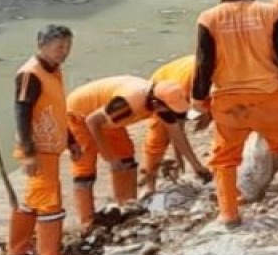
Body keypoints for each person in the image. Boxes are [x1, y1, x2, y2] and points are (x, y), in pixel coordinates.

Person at [192, 0, 278, 227]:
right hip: (269, 96)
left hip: (229, 101)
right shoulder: (271, 13)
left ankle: (228, 214)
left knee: (224, 158)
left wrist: (199, 100)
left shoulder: (208, 18)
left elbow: (203, 62)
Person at [67, 75, 192, 228]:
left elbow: (176, 134)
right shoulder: (126, 103)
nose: (174, 114)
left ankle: (126, 207)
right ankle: (87, 221)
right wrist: (109, 157)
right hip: (80, 114)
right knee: (85, 167)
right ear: (156, 103)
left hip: (106, 117)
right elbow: (92, 122)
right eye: (171, 109)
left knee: (126, 158)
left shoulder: (160, 101)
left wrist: (196, 166)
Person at [10, 24, 74, 255]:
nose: (64, 52)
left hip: (51, 147)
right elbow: (22, 111)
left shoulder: (54, 72)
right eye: (59, 47)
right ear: (42, 45)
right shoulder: (31, 74)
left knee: (33, 201)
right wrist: (27, 153)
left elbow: (57, 109)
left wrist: (71, 140)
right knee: (49, 204)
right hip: (38, 148)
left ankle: (18, 250)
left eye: (68, 47)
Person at [141, 55, 213, 196]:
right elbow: (176, 131)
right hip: (164, 88)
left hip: (191, 93)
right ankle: (150, 185)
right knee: (158, 139)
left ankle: (199, 168)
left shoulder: (223, 72)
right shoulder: (184, 86)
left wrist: (208, 114)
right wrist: (194, 165)